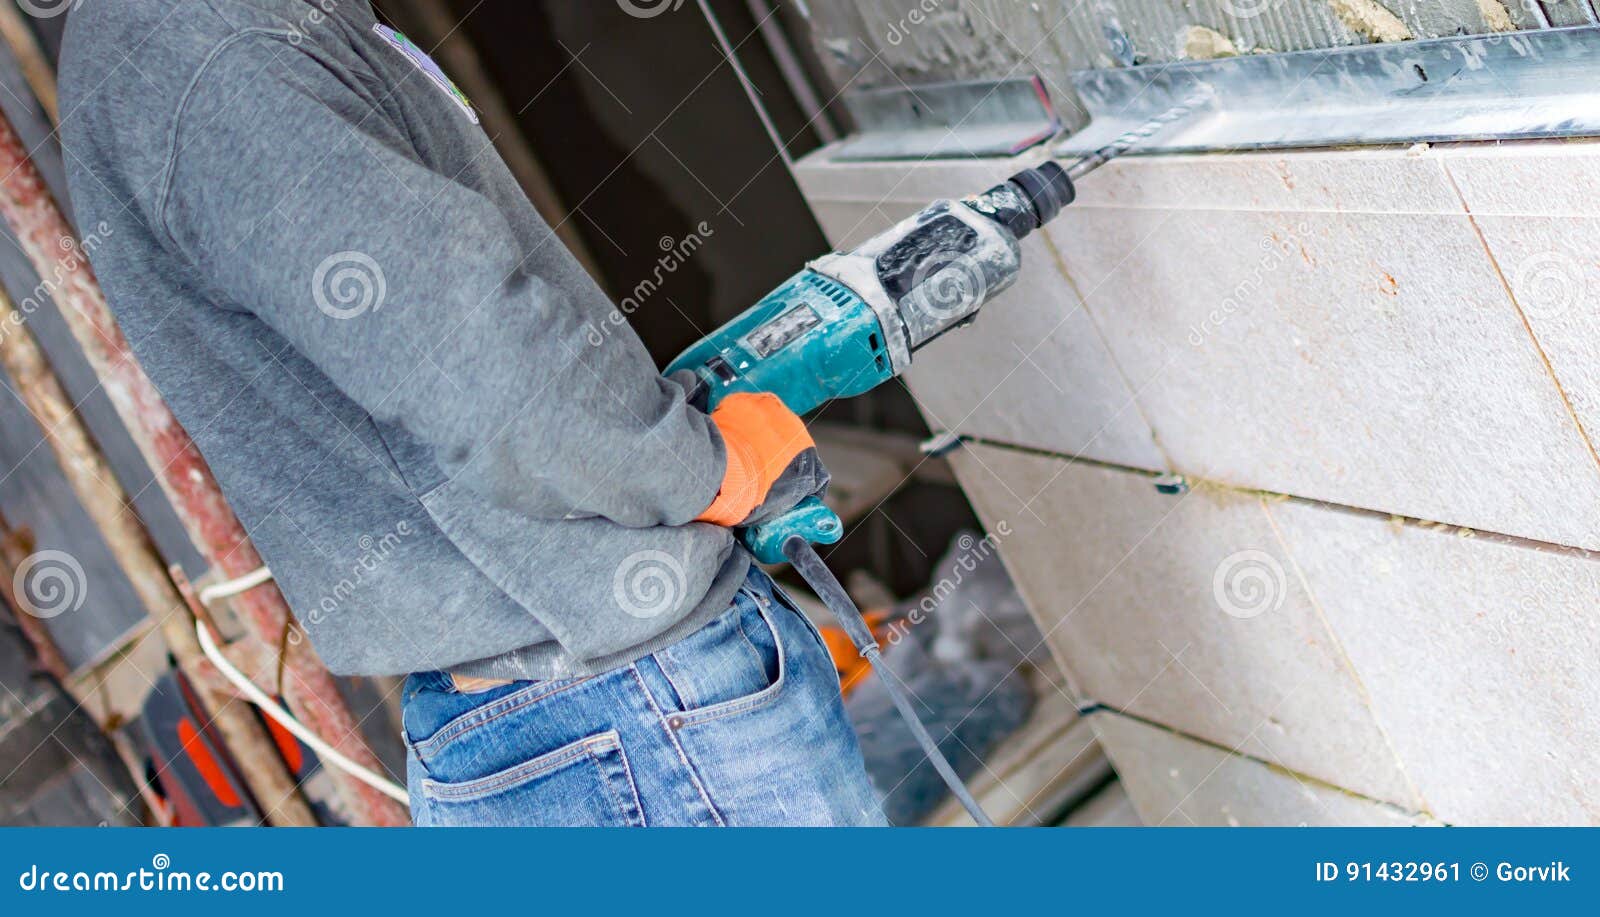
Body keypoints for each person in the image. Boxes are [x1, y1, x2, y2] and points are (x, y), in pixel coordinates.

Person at [61, 0, 883, 827]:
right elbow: (465, 348)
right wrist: (701, 467)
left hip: (575, 709)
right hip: (621, 707)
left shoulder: (188, 38)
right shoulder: (206, 41)